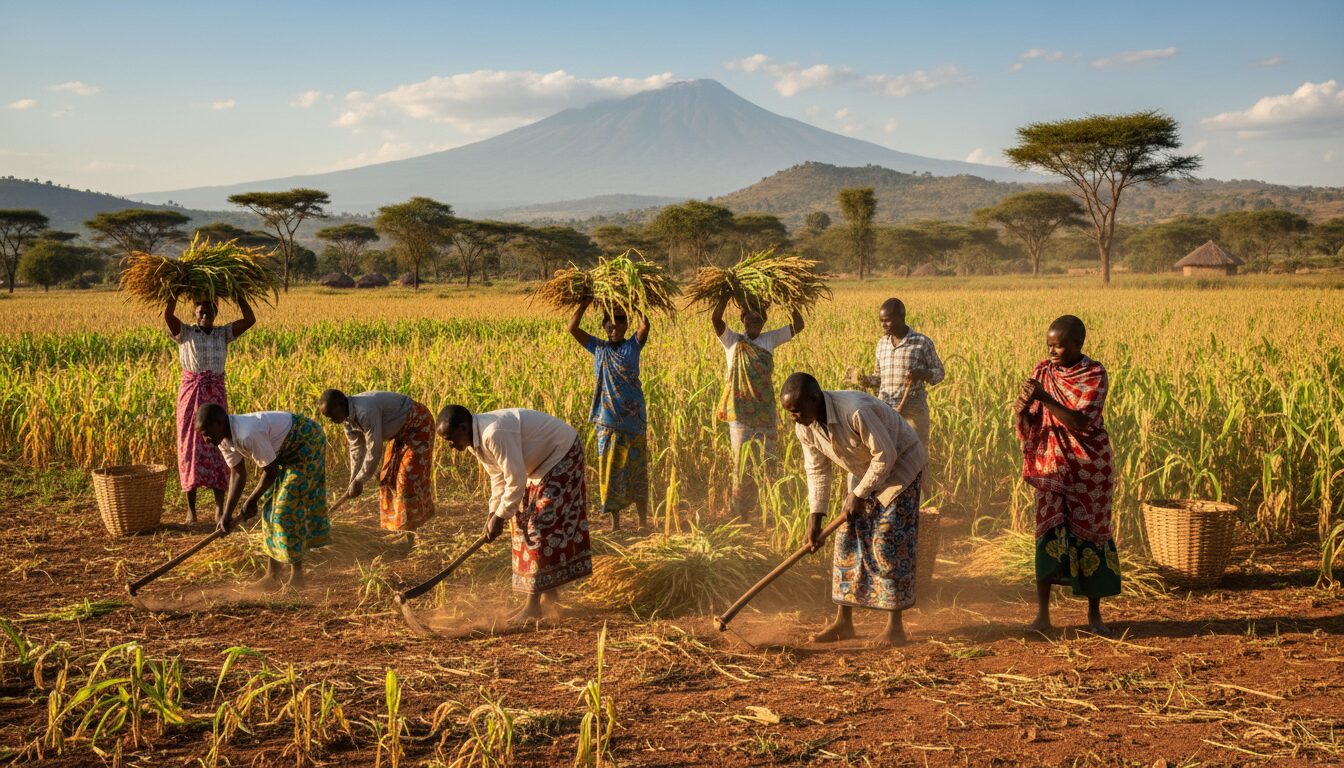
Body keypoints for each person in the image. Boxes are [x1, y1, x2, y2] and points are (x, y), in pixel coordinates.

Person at [780, 372, 928, 647]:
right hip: (863, 470)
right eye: (790, 413)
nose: (794, 418)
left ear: (815, 399)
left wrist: (859, 493)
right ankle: (843, 622)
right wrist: (815, 517)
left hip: (901, 466)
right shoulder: (805, 426)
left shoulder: (855, 411)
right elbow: (817, 470)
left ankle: (895, 628)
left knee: (888, 541)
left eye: (797, 411)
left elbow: (885, 456)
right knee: (846, 540)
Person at [436, 405, 591, 624]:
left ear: (463, 427)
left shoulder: (494, 433)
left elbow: (515, 480)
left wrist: (500, 517)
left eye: (451, 440)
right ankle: (548, 594)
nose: (452, 446)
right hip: (540, 465)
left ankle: (533, 606)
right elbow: (498, 479)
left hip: (562, 453)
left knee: (538, 526)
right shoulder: (475, 442)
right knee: (522, 523)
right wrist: (493, 514)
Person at [1015, 315, 1119, 636]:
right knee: (1047, 536)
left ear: (1078, 344)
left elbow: (1081, 422)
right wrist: (1022, 409)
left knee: (1091, 536)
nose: (1053, 352)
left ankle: (1094, 615)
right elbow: (1032, 421)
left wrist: (1045, 398)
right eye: (1049, 346)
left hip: (1088, 466)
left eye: (1059, 345)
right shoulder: (1042, 371)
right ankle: (1043, 614)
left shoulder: (1094, 373)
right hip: (1050, 466)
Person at [195, 404, 330, 590]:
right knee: (269, 510)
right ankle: (273, 574)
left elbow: (271, 471)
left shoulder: (247, 433)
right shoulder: (224, 440)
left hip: (307, 444)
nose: (206, 439)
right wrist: (227, 514)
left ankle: (297, 577)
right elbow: (238, 475)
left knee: (284, 511)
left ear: (219, 423)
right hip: (284, 455)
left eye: (206, 433)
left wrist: (251, 500)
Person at [711, 296, 803, 520]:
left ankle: (765, 508)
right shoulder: (732, 340)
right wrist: (725, 294)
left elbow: (798, 326)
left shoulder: (769, 340)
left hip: (765, 412)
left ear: (763, 322)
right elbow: (715, 319)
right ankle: (739, 511)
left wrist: (787, 296)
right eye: (750, 320)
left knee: (767, 462)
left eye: (758, 321)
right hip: (740, 413)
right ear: (743, 320)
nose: (754, 324)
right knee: (741, 465)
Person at [165, 296, 255, 523]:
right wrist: (174, 294)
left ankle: (218, 507)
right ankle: (191, 510)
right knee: (189, 446)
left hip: (215, 395)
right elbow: (168, 316)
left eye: (210, 310)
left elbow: (250, 319)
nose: (206, 313)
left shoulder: (223, 333)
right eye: (201, 309)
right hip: (190, 396)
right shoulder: (184, 332)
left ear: (216, 312)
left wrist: (238, 296)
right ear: (194, 311)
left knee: (221, 444)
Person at [568, 298, 650, 531]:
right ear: (604, 326)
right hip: (607, 420)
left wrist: (634, 300)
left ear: (626, 325)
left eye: (619, 322)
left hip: (634, 421)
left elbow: (645, 325)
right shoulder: (598, 347)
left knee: (637, 471)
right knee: (610, 473)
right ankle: (616, 524)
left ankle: (643, 522)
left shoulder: (632, 346)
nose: (613, 327)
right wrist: (583, 304)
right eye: (609, 323)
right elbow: (572, 328)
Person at [318, 389, 435, 542]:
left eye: (332, 415)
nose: (332, 420)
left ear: (341, 404)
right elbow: (356, 449)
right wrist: (353, 480)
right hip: (400, 434)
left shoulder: (365, 410)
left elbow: (374, 449)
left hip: (419, 426)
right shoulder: (347, 420)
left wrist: (360, 480)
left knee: (406, 478)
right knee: (387, 477)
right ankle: (400, 530)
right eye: (329, 418)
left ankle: (409, 535)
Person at [870, 298, 944, 447]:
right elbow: (879, 379)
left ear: (901, 318)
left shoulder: (921, 342)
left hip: (913, 411)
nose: (883, 325)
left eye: (887, 320)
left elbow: (939, 373)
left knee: (916, 455)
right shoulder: (881, 344)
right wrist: (866, 380)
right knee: (888, 455)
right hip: (886, 410)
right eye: (881, 321)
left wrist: (922, 374)